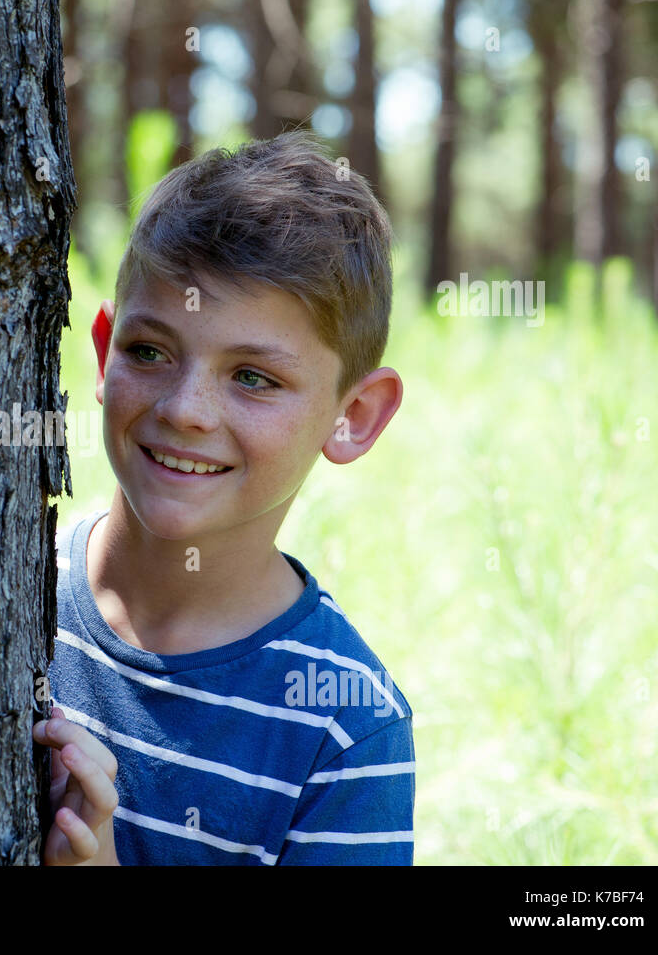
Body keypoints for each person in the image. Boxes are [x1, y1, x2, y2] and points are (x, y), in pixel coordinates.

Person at [32, 130, 413, 865]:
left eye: (253, 377)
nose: (186, 409)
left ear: (354, 416)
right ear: (106, 349)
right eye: (150, 352)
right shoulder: (7, 591)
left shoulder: (345, 726)